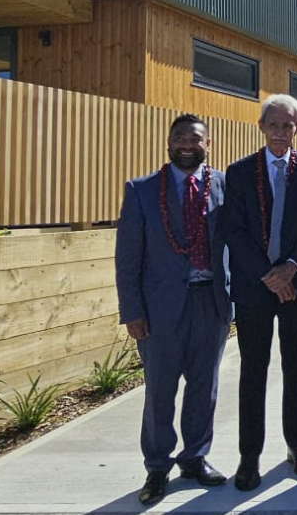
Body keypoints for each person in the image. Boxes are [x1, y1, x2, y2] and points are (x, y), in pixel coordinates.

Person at [115, 114, 232, 505]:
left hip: (210, 304)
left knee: (204, 387)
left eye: (195, 138)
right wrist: (132, 310)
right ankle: (157, 467)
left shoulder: (223, 187)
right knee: (160, 391)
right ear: (168, 142)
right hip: (160, 309)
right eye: (179, 137)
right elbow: (128, 257)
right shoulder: (142, 190)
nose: (187, 144)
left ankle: (195, 458)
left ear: (207, 144)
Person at [220, 94, 297, 491]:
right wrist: (269, 275)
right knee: (253, 371)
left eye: (289, 125)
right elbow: (234, 229)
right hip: (254, 287)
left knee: (296, 367)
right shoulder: (240, 171)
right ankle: (249, 456)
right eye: (275, 125)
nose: (281, 132)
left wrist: (290, 270)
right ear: (262, 127)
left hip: (296, 286)